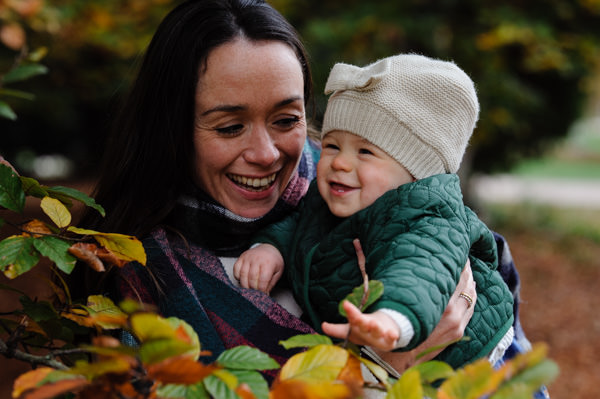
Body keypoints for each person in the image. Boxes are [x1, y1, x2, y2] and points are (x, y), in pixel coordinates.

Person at [75, 0, 536, 390]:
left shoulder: (375, 189)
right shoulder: (137, 276)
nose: (266, 154)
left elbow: (520, 370)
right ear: (171, 129)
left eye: (286, 119)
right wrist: (394, 372)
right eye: (230, 127)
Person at [234, 54, 514, 368]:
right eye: (332, 146)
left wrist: (391, 320)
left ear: (415, 173)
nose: (340, 162)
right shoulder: (333, 196)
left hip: (464, 360)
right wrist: (271, 248)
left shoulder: (426, 218)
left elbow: (419, 269)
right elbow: (300, 222)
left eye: (365, 151)